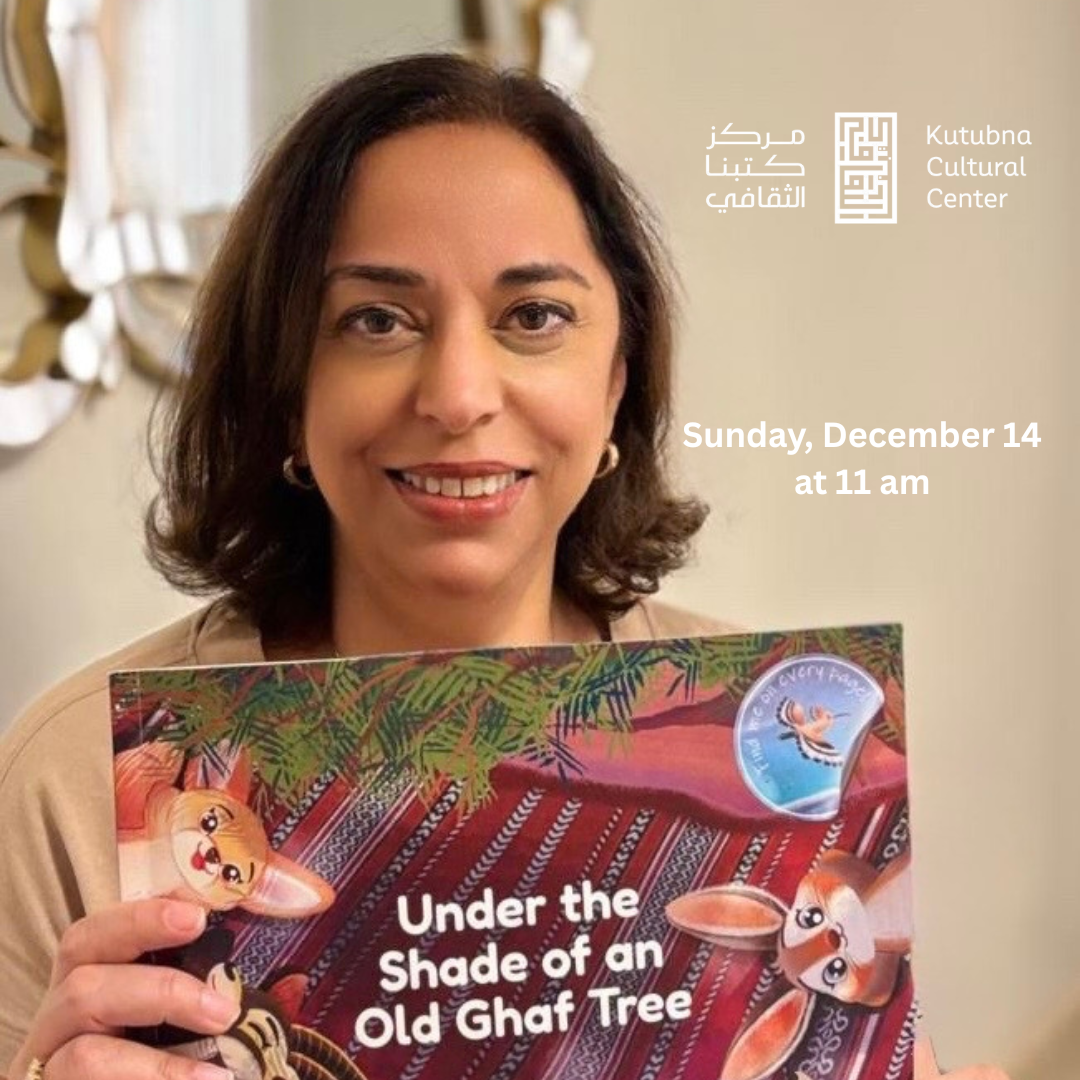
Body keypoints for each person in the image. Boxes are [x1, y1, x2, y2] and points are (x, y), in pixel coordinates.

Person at [0, 53, 1007, 1080]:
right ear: (289, 387)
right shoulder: (78, 781)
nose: (458, 395)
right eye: (376, 319)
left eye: (534, 317)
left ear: (616, 383)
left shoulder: (792, 746)